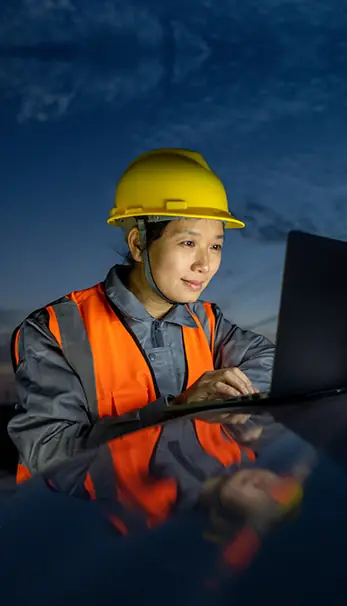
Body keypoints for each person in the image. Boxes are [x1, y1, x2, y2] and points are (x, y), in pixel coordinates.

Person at [8, 148, 275, 482]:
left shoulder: (206, 320)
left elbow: (272, 362)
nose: (205, 265)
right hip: (89, 525)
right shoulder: (55, 330)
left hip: (195, 509)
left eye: (216, 246)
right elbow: (50, 456)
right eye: (188, 243)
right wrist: (178, 411)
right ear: (138, 244)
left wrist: (233, 396)